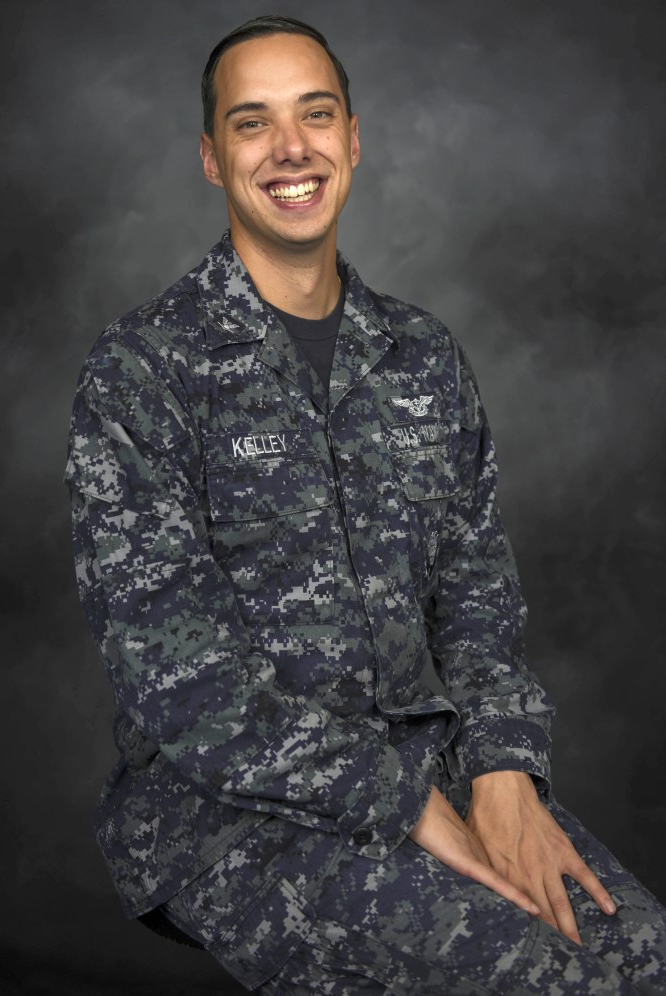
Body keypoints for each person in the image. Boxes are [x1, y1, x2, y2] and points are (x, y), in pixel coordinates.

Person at [65, 14, 666, 994]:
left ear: (353, 138)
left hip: (431, 773)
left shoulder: (421, 357)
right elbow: (186, 694)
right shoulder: (145, 371)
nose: (291, 148)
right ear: (213, 158)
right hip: (227, 816)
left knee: (641, 962)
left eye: (315, 114)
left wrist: (505, 772)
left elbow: (476, 603)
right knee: (540, 977)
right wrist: (410, 804)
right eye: (252, 123)